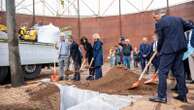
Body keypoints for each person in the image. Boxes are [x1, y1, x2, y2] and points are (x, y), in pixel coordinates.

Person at [149, 9, 194, 103]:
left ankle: (161, 96)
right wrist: (179, 31)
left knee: (162, 72)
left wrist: (158, 50)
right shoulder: (178, 19)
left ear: (159, 15)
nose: (154, 19)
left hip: (168, 49)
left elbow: (160, 39)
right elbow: (190, 26)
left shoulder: (160, 23)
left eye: (154, 17)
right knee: (179, 72)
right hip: (180, 48)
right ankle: (183, 95)